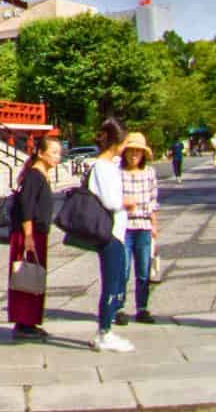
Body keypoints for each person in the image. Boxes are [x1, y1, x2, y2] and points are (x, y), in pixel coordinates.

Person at [7, 134, 61, 342]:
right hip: (29, 233)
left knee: (34, 275)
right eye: (54, 152)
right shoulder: (33, 176)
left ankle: (30, 321)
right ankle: (23, 321)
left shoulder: (42, 175)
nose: (57, 157)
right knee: (26, 275)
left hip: (38, 232)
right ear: (40, 152)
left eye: (59, 153)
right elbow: (26, 206)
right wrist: (28, 234)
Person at [85, 119, 133, 352]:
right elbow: (111, 201)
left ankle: (106, 329)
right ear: (117, 142)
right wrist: (128, 201)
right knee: (112, 282)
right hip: (110, 232)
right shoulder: (103, 168)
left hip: (116, 231)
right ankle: (104, 331)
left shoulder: (108, 165)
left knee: (115, 281)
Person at [119, 132, 160, 326]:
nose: (134, 154)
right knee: (123, 269)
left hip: (143, 225)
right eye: (131, 150)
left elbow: (153, 200)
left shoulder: (149, 173)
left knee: (143, 270)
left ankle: (142, 307)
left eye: (138, 151)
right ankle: (119, 307)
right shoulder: (118, 173)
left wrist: (154, 225)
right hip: (124, 225)